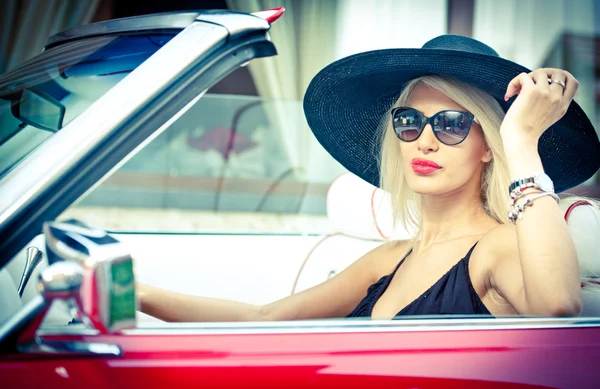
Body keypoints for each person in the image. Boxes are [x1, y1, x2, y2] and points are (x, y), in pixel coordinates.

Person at [137, 35, 600, 321]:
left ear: (487, 148)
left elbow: (556, 307)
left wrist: (521, 140)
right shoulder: (389, 258)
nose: (425, 141)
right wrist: (132, 293)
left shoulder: (497, 248)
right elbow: (266, 316)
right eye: (409, 122)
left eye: (453, 124)